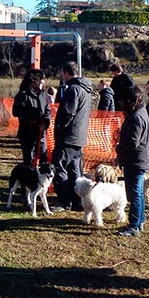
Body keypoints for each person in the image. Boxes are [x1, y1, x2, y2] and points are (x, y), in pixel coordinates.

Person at [52, 62, 95, 211]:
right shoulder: (86, 90)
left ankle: (64, 201)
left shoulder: (73, 89)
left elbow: (68, 112)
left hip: (68, 136)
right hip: (79, 137)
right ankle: (77, 201)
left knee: (60, 167)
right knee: (75, 170)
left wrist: (59, 126)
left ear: (65, 72)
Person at [116, 86, 149, 236]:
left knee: (134, 194)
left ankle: (134, 226)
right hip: (139, 159)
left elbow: (132, 143)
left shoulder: (136, 117)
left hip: (136, 161)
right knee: (138, 192)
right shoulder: (141, 112)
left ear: (130, 101)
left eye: (123, 101)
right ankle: (140, 221)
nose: (121, 104)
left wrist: (119, 148)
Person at [12, 69, 51, 166]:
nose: (43, 82)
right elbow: (16, 112)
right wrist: (33, 119)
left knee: (44, 159)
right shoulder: (23, 94)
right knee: (29, 160)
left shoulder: (43, 95)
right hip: (27, 133)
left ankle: (42, 175)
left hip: (41, 133)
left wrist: (45, 123)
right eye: (41, 79)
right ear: (34, 81)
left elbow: (47, 111)